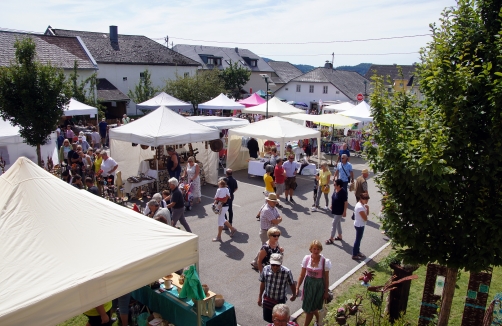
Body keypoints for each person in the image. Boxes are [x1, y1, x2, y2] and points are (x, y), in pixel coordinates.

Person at [296, 240, 331, 326]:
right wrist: (297, 288)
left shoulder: (324, 261)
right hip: (308, 286)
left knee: (310, 310)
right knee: (310, 307)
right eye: (314, 249)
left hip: (318, 287)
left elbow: (326, 278)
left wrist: (326, 292)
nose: (316, 251)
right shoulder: (307, 258)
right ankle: (319, 319)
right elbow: (302, 274)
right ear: (311, 249)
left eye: (318, 249)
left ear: (320, 250)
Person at [258, 253, 296, 323]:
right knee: (268, 318)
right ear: (270, 262)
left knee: (279, 320)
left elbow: (292, 283)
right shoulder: (266, 269)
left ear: (281, 263)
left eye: (277, 265)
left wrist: (294, 294)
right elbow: (263, 283)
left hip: (279, 301)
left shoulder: (286, 272)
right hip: (268, 299)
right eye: (273, 264)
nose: (275, 267)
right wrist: (260, 296)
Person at [251, 193, 283, 269]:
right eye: (273, 201)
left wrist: (278, 219)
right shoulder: (267, 210)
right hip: (266, 232)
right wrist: (278, 220)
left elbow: (279, 217)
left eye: (275, 201)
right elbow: (276, 221)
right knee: (266, 248)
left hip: (271, 232)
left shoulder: (273, 208)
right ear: (268, 201)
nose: (275, 203)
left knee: (266, 247)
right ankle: (259, 263)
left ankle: (256, 262)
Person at [326, 179, 348, 244]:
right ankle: (340, 236)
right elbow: (333, 197)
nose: (333, 185)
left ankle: (331, 238)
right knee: (338, 223)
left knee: (334, 223)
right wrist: (332, 205)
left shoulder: (343, 192)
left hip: (340, 210)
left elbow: (346, 202)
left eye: (335, 184)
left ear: (339, 185)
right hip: (335, 209)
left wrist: (344, 211)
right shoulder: (335, 190)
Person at [352, 193, 370, 260]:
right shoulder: (360, 207)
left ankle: (357, 252)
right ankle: (354, 254)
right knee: (358, 240)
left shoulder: (362, 205)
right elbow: (365, 218)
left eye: (367, 199)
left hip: (361, 224)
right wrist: (366, 217)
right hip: (359, 225)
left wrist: (367, 208)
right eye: (365, 199)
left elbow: (367, 214)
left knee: (359, 239)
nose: (366, 201)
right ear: (361, 199)